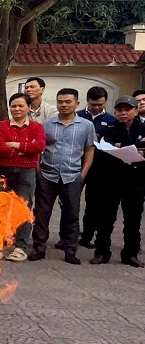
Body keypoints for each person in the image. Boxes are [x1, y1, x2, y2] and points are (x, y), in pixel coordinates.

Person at [30, 88, 96, 264]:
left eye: (68, 102)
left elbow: (89, 151)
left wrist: (82, 174)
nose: (64, 105)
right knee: (41, 214)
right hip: (47, 175)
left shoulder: (86, 125)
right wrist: (38, 171)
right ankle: (39, 247)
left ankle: (70, 250)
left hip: (72, 175)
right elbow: (39, 149)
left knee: (71, 214)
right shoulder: (47, 124)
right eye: (60, 102)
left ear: (77, 104)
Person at [0, 93, 46, 262]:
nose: (16, 109)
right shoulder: (1, 125)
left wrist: (15, 145)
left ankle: (20, 247)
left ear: (29, 107)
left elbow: (39, 146)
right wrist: (25, 150)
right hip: (2, 171)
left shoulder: (36, 127)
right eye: (13, 106)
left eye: (21, 106)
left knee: (22, 209)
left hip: (26, 172)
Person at [90, 96, 145, 268]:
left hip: (135, 180)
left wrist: (126, 146)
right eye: (120, 110)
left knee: (133, 220)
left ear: (136, 111)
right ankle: (101, 252)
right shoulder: (109, 128)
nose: (123, 113)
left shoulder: (143, 128)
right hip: (111, 180)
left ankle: (130, 254)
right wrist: (127, 147)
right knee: (105, 218)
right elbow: (102, 150)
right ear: (115, 112)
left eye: (127, 110)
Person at [78, 86, 117, 247]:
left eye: (100, 104)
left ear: (105, 102)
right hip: (77, 164)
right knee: (70, 201)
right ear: (87, 101)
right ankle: (67, 235)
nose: (96, 107)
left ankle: (87, 236)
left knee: (93, 202)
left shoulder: (112, 120)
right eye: (93, 104)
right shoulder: (78, 116)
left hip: (99, 167)